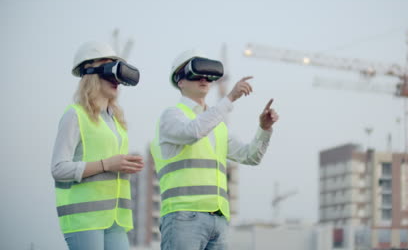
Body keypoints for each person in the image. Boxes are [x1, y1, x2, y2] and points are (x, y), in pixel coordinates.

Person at [151, 49, 279, 250]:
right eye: (195, 74)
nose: (204, 80)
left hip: (218, 220)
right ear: (180, 80)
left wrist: (264, 129)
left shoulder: (217, 126)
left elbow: (250, 156)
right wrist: (229, 99)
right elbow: (193, 132)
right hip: (183, 217)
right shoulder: (172, 116)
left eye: (208, 76)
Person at [51, 41, 144, 250]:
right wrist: (106, 164)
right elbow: (58, 168)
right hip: (84, 219)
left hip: (116, 219)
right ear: (91, 72)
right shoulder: (75, 115)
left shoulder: (116, 121)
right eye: (109, 69)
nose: (116, 80)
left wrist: (125, 165)